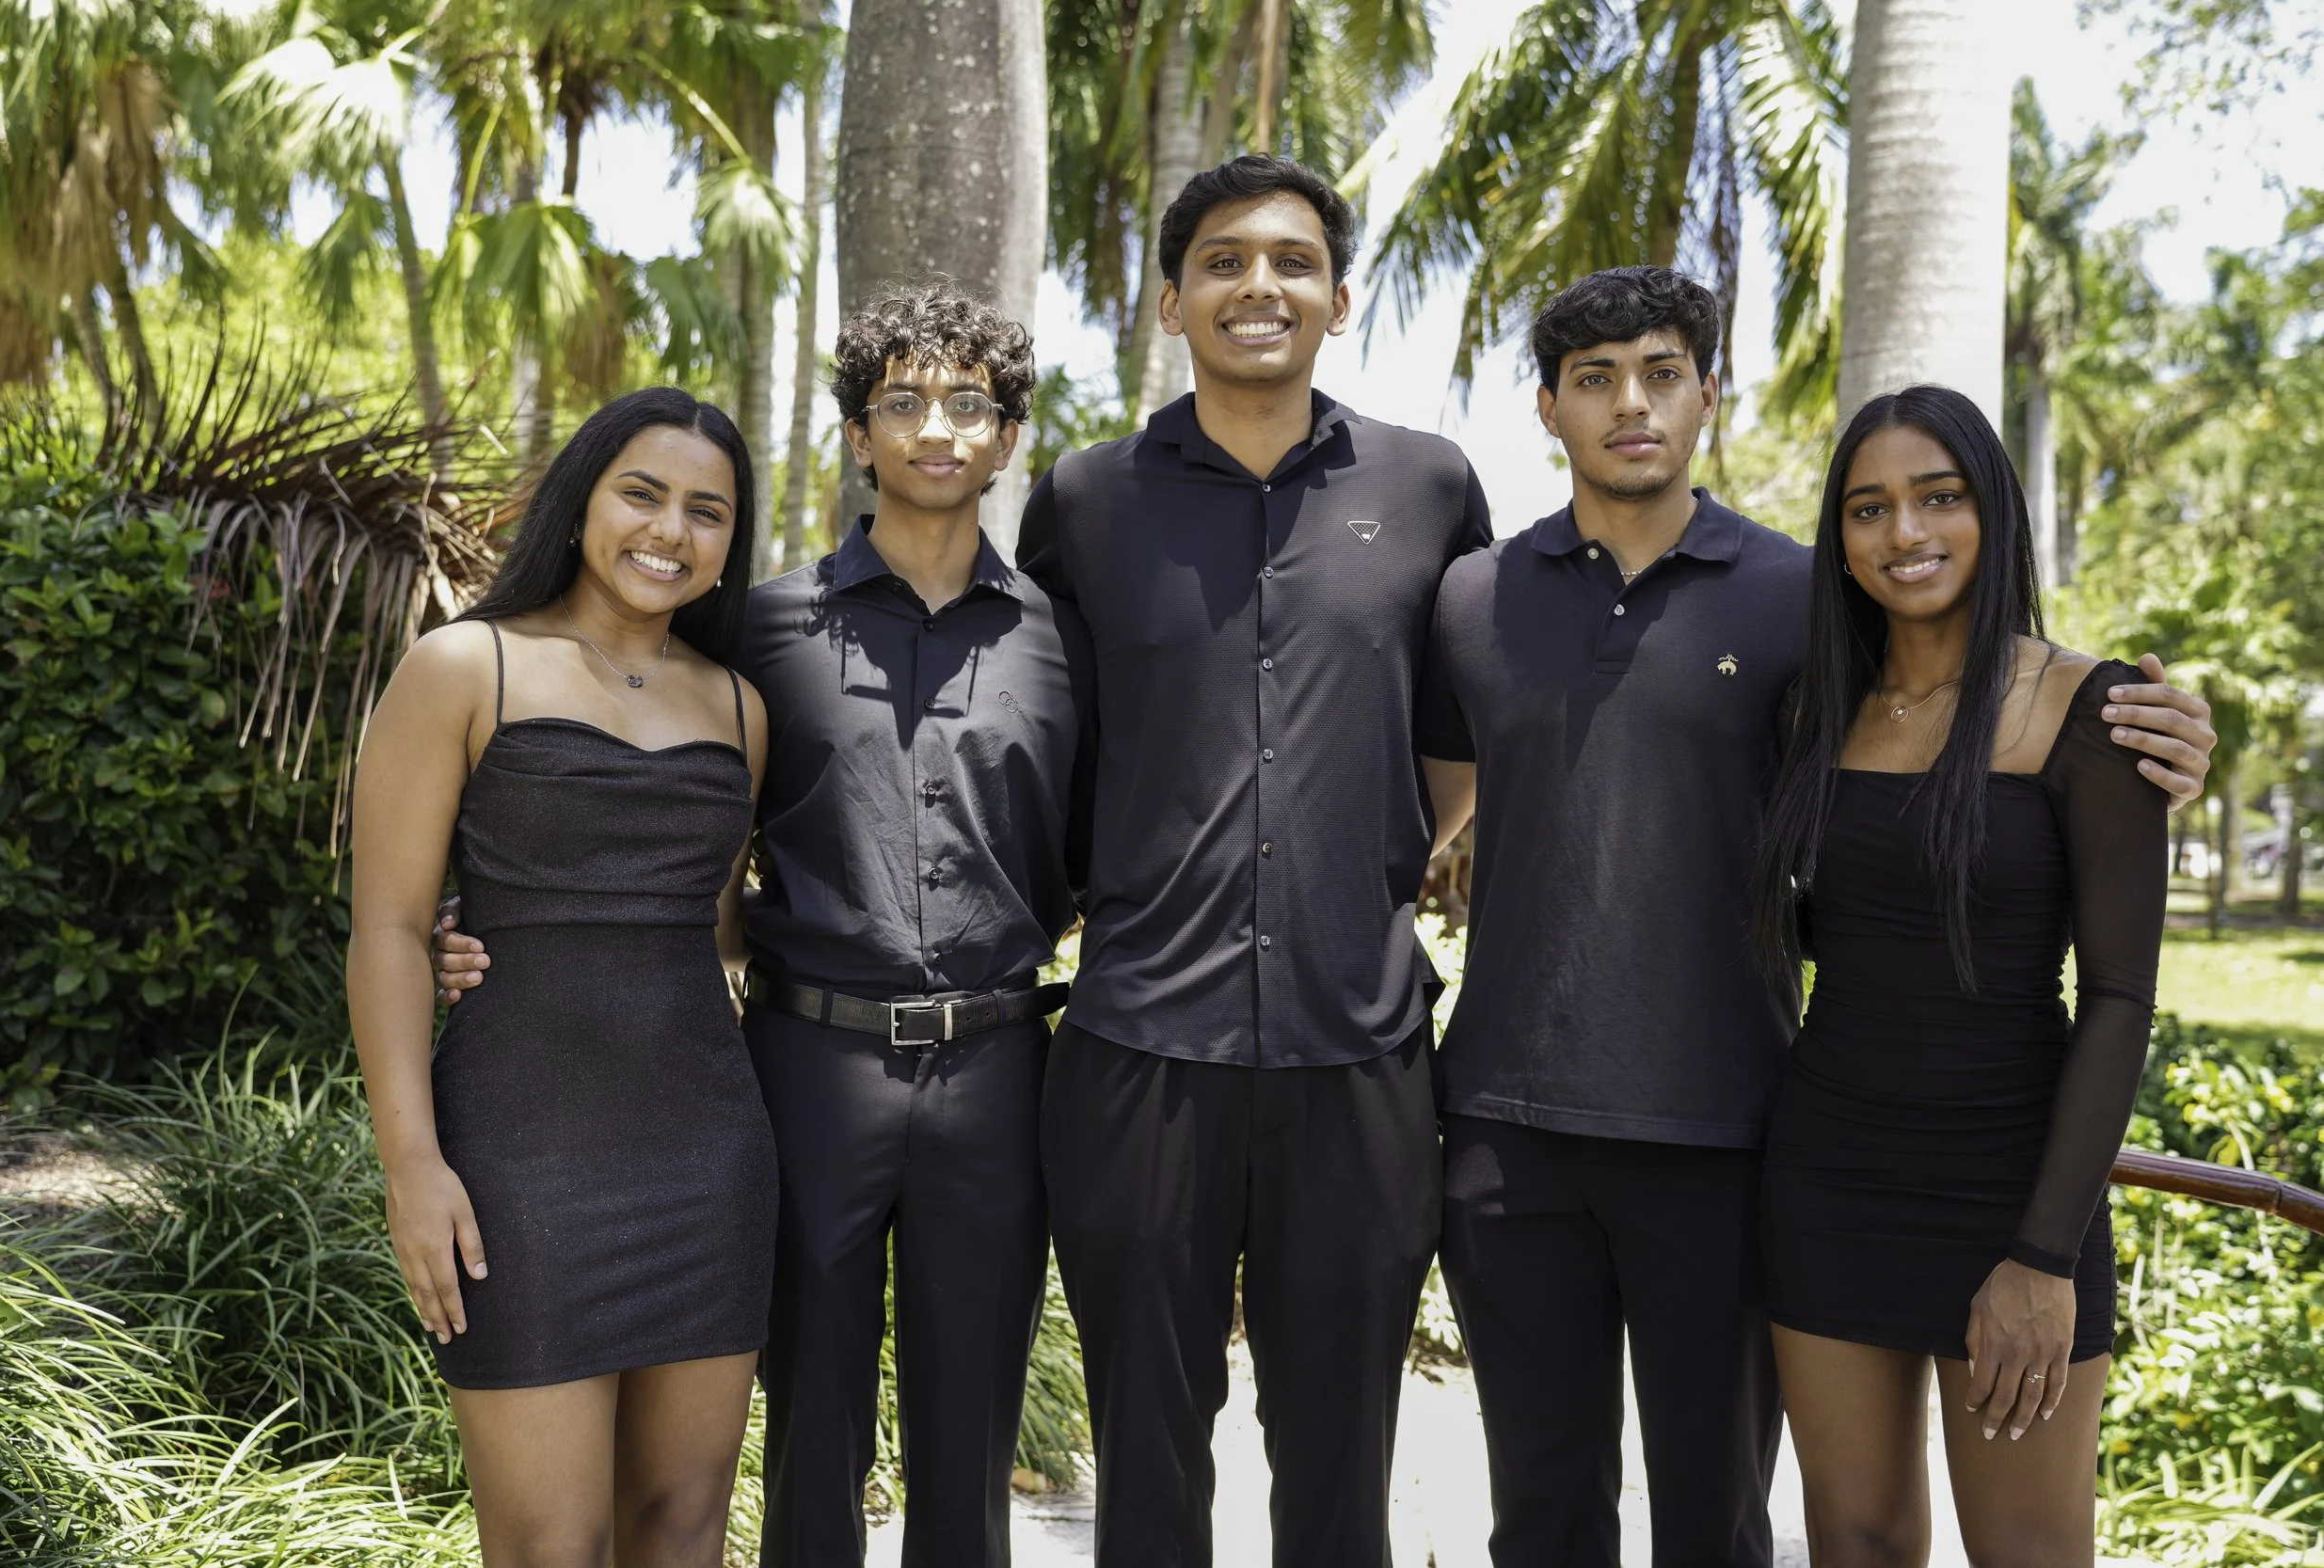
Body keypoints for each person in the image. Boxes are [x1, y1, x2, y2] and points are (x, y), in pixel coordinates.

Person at [1414, 268, 2213, 1566]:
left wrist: (2169, 735)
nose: (1632, 402)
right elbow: (1419, 804)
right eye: (1597, 376)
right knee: (1647, 1526)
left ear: (1708, 395)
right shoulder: (1479, 600)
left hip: (1759, 1138)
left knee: (1730, 1528)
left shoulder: (1797, 603)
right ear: (1547, 406)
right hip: (1594, 1143)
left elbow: (2099, 943)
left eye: (1663, 370)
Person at [436, 281, 1092, 1568]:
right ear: (859, 433)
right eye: (903, 400)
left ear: (1009, 436)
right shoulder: (764, 635)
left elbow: (1093, 847)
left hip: (1001, 1065)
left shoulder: (1066, 640)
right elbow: (657, 811)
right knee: (807, 1437)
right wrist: (496, 916)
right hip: (804, 1069)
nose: (938, 429)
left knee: (971, 1440)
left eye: (972, 403)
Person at [1016, 154, 1489, 1568]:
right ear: (1171, 299)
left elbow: (1453, 748)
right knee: (1148, 1463)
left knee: (1341, 1458)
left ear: (1340, 299)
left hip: (1359, 1052)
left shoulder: (1429, 484)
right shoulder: (1089, 498)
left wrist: (1360, 860)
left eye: (1291, 261)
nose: (1257, 284)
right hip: (1138, 1042)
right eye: (1221, 261)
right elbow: (1053, 741)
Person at [347, 388, 772, 1568]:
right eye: (641, 492)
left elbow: (713, 930)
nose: (669, 530)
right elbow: (384, 927)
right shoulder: (462, 664)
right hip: (519, 1153)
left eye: (707, 510)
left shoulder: (739, 705)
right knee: (550, 1545)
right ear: (583, 496)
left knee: (679, 1530)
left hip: (707, 1155)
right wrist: (411, 1164)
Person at [1752, 385, 2164, 1566]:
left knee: (2028, 1553)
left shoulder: (2093, 711)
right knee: (1858, 1540)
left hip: (2014, 1187)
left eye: (1939, 496)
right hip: (1827, 1179)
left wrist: (2042, 1254)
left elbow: (2121, 997)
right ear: (1839, 538)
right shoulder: (1812, 710)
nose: (1905, 533)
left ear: (1992, 509)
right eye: (1867, 507)